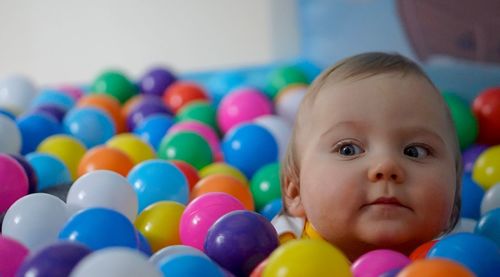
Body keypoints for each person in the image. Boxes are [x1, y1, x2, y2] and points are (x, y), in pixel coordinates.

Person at [272, 52, 462, 261]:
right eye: (348, 149)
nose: (387, 165)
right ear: (295, 190)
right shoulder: (277, 248)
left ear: (454, 197)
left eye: (415, 151)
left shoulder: (465, 256)